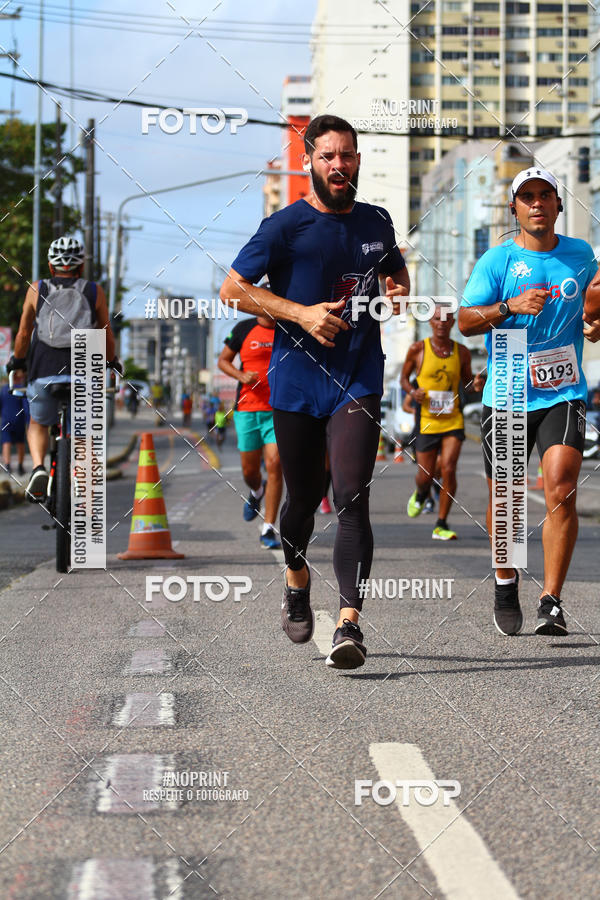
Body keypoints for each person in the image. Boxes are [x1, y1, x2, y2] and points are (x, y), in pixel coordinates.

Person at [220, 114, 409, 669]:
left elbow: (394, 273)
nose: (338, 165)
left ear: (357, 160)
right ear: (310, 163)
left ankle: (350, 624)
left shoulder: (377, 221)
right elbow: (233, 290)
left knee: (352, 493)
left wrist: (399, 288)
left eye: (347, 155)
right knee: (302, 497)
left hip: (356, 375)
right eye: (328, 155)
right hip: (297, 382)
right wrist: (299, 313)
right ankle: (297, 579)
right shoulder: (285, 226)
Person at [459, 166, 598, 636]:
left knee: (561, 486)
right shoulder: (497, 261)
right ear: (514, 208)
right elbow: (465, 320)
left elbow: (593, 312)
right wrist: (509, 307)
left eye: (545, 195)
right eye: (527, 197)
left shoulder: (582, 255)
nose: (537, 204)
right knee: (509, 499)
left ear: (559, 205)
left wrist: (595, 325)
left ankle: (552, 600)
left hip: (564, 387)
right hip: (510, 388)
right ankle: (504, 580)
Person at [7, 236, 119, 502]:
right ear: (80, 267)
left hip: (44, 369)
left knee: (37, 423)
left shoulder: (37, 288)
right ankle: (82, 477)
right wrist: (111, 362)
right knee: (85, 429)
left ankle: (38, 468)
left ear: (50, 265)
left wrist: (18, 361)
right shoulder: (94, 291)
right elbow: (106, 334)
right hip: (85, 370)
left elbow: (23, 333)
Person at [401, 306, 482, 540]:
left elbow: (467, 383)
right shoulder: (417, 350)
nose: (441, 323)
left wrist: (476, 384)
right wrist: (412, 392)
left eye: (446, 319)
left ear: (453, 323)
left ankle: (441, 523)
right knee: (425, 475)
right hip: (426, 421)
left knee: (448, 468)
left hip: (453, 420)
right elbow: (404, 379)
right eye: (437, 319)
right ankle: (420, 493)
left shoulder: (462, 352)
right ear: (430, 322)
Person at [218, 314, 283, 549]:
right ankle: (256, 490)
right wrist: (241, 375)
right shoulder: (244, 328)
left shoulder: (288, 328)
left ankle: (268, 529)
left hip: (278, 408)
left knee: (275, 464)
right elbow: (223, 360)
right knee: (249, 471)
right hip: (247, 410)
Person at [0, 374, 29, 476]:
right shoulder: (21, 389)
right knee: (20, 443)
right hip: (19, 421)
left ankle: (7, 466)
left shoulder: (4, 389)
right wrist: (28, 420)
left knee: (6, 443)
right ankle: (20, 467)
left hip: (6, 420)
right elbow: (26, 406)